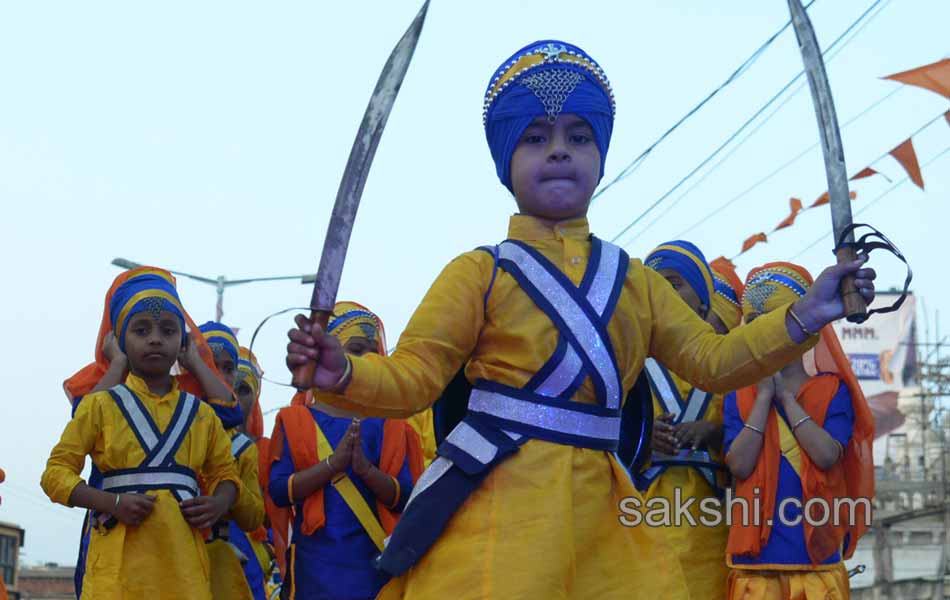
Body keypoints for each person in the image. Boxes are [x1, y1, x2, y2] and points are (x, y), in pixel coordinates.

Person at [285, 40, 876, 600]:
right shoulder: (478, 273)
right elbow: (415, 378)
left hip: (606, 517)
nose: (559, 149)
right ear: (506, 159)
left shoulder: (634, 280)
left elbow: (715, 362)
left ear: (599, 157)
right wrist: (343, 374)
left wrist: (808, 312)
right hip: (497, 508)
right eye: (536, 137)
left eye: (578, 135)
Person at [42, 271, 241, 599]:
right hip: (117, 571)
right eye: (141, 329)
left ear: (182, 342)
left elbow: (226, 472)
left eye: (168, 330)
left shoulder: (201, 414)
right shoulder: (100, 406)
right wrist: (111, 502)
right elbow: (54, 474)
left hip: (184, 570)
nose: (155, 339)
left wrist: (220, 501)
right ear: (120, 340)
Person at [723, 262, 874, 600]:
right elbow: (739, 466)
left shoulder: (832, 389)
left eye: (780, 324)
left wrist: (787, 400)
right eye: (758, 326)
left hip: (816, 566)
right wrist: (763, 397)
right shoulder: (739, 394)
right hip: (756, 569)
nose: (769, 336)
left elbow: (826, 455)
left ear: (808, 331)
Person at [270, 302, 424, 600]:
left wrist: (366, 472)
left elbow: (406, 498)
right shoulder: (294, 420)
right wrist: (332, 465)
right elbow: (278, 491)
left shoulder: (393, 425)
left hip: (374, 571)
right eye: (354, 350)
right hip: (313, 571)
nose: (365, 361)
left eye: (373, 354)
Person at [633, 240, 730, 600]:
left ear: (703, 298)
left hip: (711, 526)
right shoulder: (628, 364)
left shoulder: (729, 364)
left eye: (675, 283)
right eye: (655, 284)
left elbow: (759, 435)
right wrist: (640, 437)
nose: (664, 292)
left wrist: (716, 433)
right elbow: (600, 435)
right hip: (641, 519)